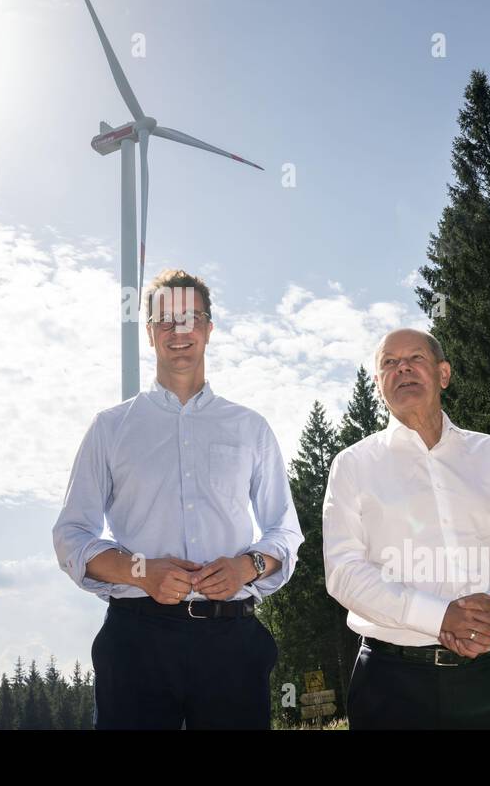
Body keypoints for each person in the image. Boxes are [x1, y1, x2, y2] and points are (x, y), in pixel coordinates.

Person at [52, 269, 303, 729]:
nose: (178, 331)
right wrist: (141, 572)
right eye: (164, 320)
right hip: (135, 642)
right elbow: (71, 536)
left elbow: (285, 531)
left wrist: (246, 567)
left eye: (190, 318)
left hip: (232, 643)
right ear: (149, 334)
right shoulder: (110, 429)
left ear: (209, 328)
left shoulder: (250, 428)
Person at [323, 328, 490, 729]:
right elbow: (344, 572)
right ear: (378, 384)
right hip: (390, 687)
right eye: (389, 364)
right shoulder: (352, 465)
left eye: (416, 359)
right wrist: (438, 616)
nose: (403, 369)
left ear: (443, 373)